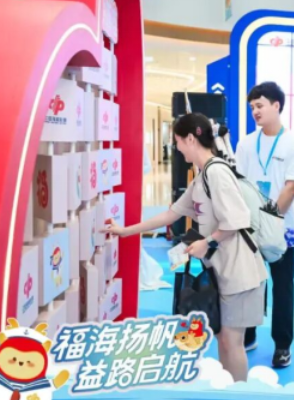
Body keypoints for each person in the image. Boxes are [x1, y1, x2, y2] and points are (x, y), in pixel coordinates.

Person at [104, 113, 268, 382]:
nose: (177, 148)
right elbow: (171, 214)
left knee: (232, 342)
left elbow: (237, 220)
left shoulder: (216, 172)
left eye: (178, 141)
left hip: (241, 272)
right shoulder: (202, 176)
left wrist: (207, 242)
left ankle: (239, 391)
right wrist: (125, 231)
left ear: (191, 138)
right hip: (222, 271)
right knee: (222, 338)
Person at [235, 82, 294, 368]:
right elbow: (239, 183)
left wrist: (269, 218)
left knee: (282, 287)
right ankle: (249, 334)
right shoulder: (246, 143)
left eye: (260, 105)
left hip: (282, 228)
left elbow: (291, 188)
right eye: (252, 107)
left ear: (276, 105)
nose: (255, 111)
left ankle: (282, 345)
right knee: (250, 283)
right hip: (249, 226)